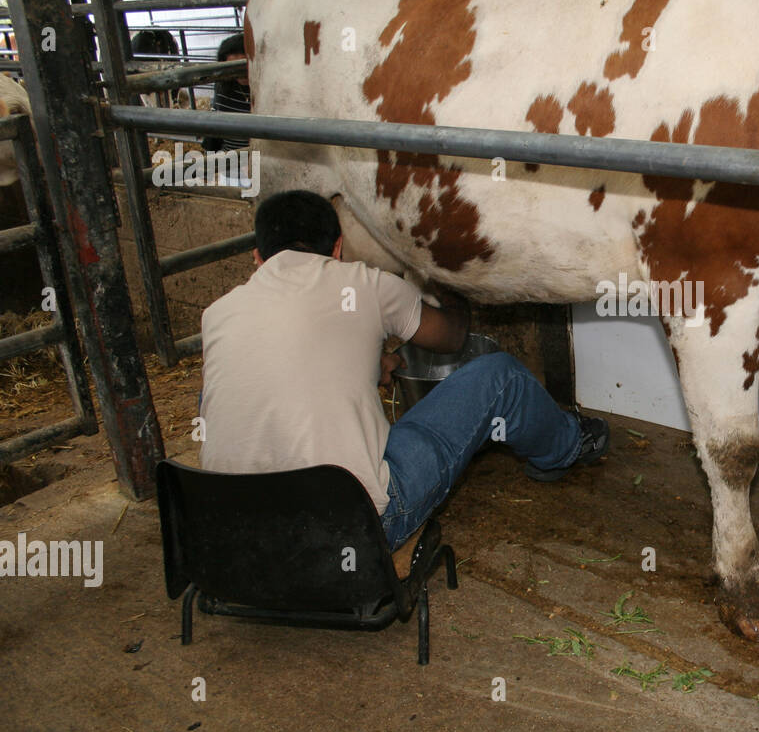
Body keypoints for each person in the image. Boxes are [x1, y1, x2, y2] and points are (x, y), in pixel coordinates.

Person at [197, 190, 610, 549]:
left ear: (257, 257)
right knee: (499, 376)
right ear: (338, 247)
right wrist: (451, 287)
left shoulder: (216, 315)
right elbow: (450, 338)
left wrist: (368, 362)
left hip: (230, 536)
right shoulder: (364, 283)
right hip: (349, 530)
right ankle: (564, 448)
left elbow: (282, 365)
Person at [201, 33, 251, 154]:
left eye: (244, 67)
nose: (241, 74)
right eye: (234, 69)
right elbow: (217, 119)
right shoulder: (223, 86)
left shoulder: (265, 89)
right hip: (229, 156)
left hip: (262, 157)